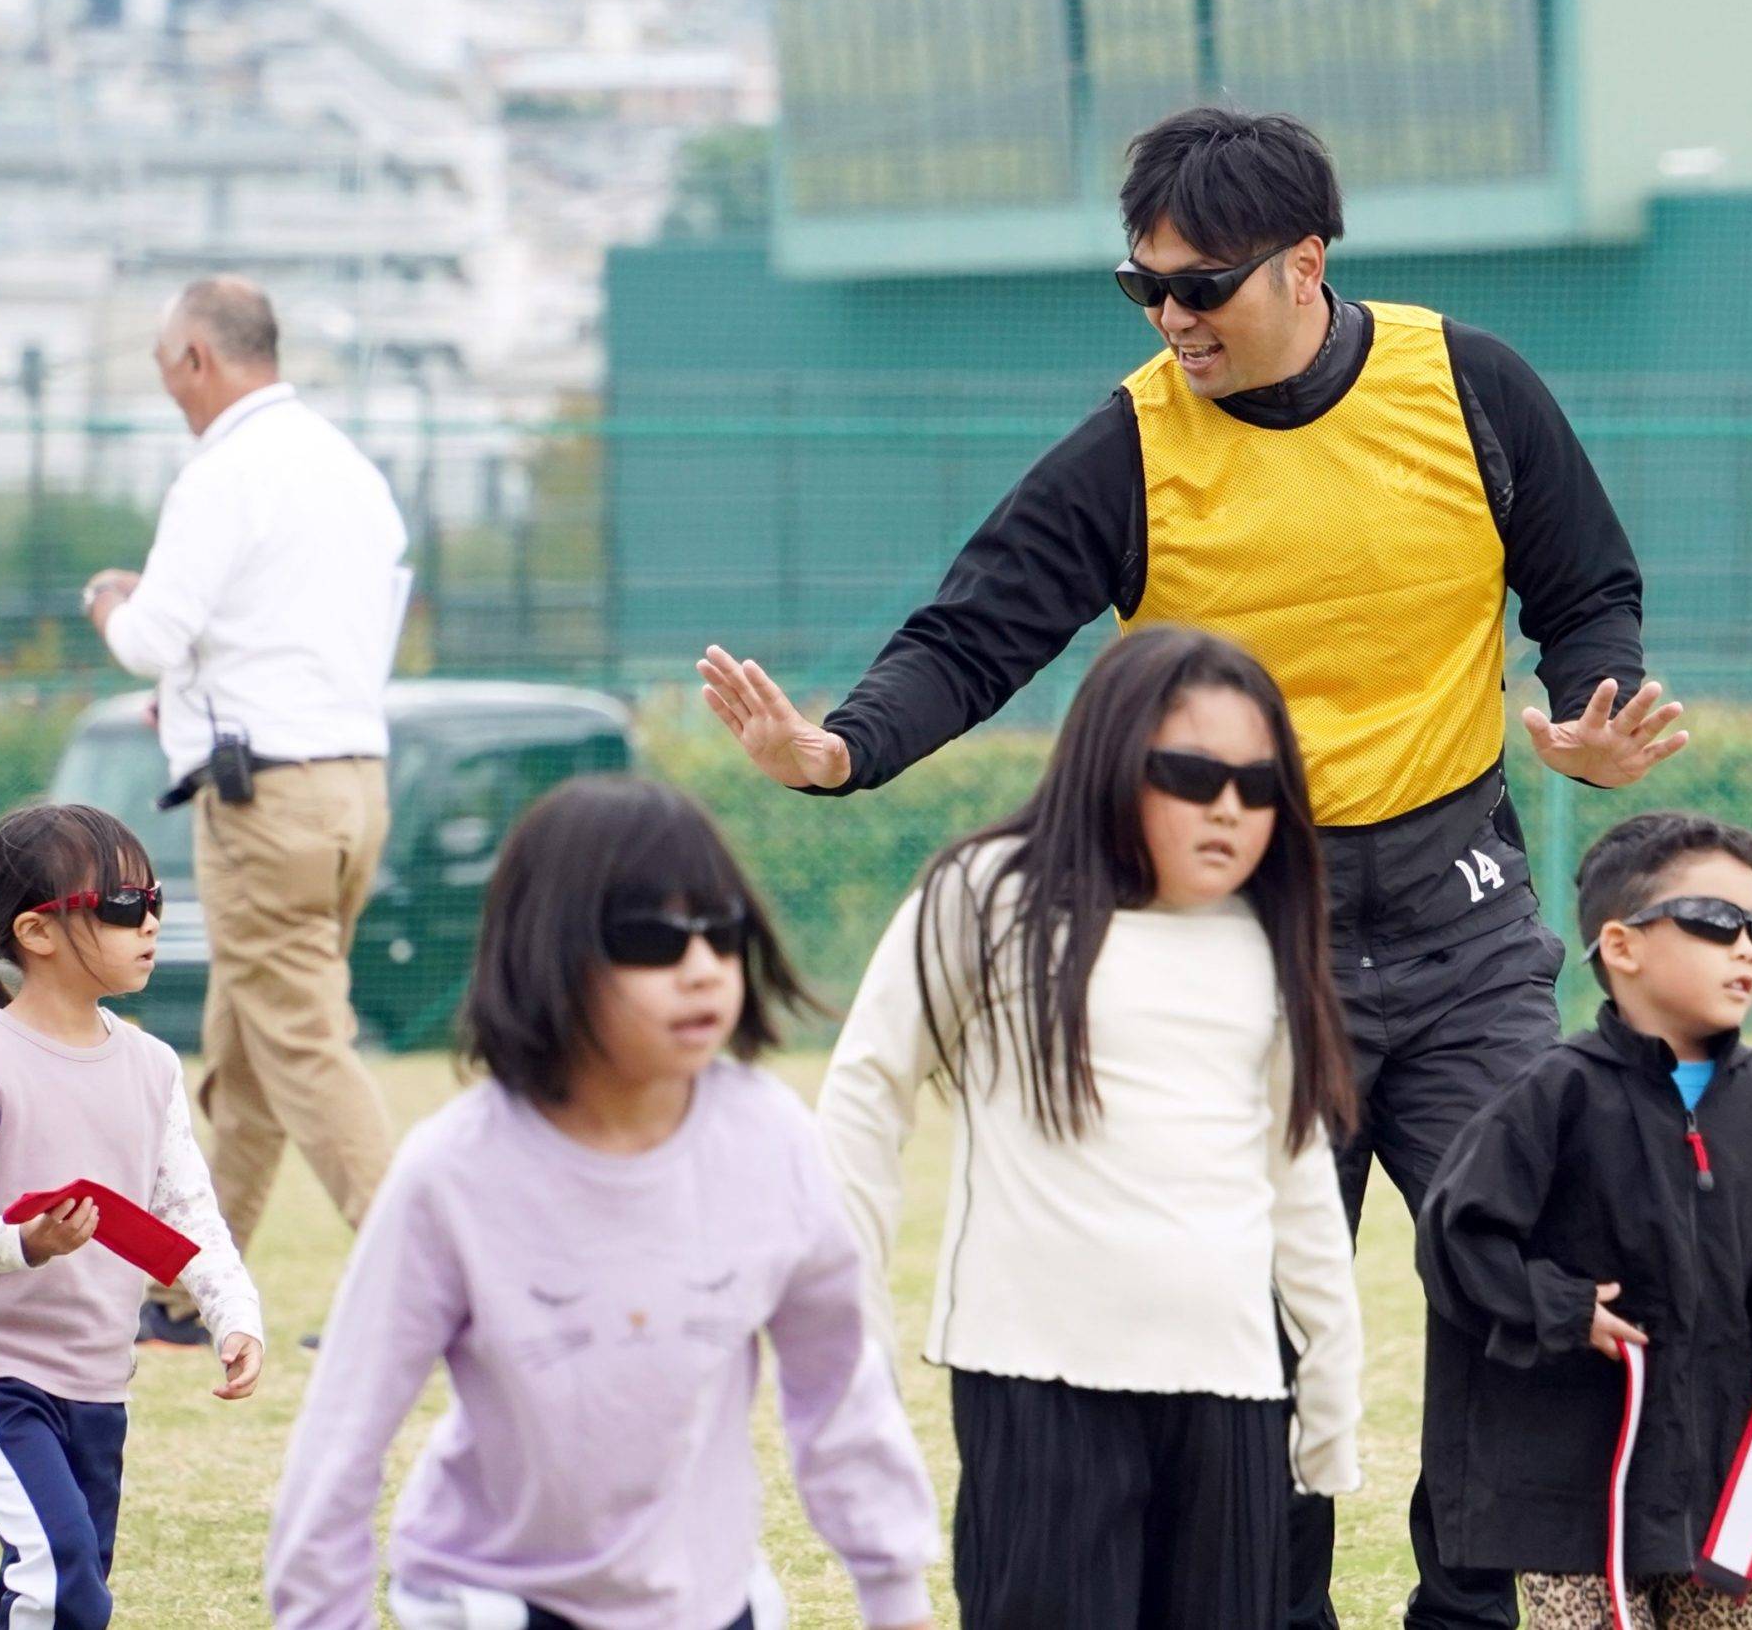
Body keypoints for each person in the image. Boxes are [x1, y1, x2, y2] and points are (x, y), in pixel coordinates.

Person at [698, 106, 1683, 1629]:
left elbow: (1586, 587)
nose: (1171, 317)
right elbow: (975, 631)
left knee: (1530, 1273)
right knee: (1255, 1322)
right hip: (1247, 942)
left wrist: (1595, 709)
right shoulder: (1132, 446)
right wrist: (839, 750)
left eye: (1200, 285)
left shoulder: (1468, 385)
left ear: (1304, 264)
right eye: (1142, 286)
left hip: (1462, 923)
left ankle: (1472, 1612)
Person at [266, 777, 941, 1630]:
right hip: (497, 1599)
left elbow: (840, 1391)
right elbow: (343, 1432)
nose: (701, 968)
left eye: (721, 931)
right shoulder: (454, 1173)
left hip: (709, 1603)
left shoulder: (772, 1139)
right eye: (650, 939)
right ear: (551, 951)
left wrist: (896, 1594)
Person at [819, 626, 1365, 1629]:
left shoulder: (1265, 933)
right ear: (1113, 756)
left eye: (1258, 786)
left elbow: (1293, 1166)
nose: (1229, 808)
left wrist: (1329, 1375)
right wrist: (852, 1342)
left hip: (1230, 1387)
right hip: (1037, 1377)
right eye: (1193, 774)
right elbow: (863, 1099)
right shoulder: (988, 897)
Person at [1415, 812, 1752, 1630]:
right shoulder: (1554, 1095)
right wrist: (1560, 1306)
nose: (1745, 948)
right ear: (1621, 946)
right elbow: (1457, 1237)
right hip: (1576, 1492)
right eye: (1715, 921)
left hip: (1724, 1482)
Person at [84, 274, 412, 1351]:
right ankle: (186, 1293)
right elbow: (320, 633)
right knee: (251, 1048)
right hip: (353, 780)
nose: (168, 388)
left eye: (165, 366)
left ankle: (428, 1283)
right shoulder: (349, 470)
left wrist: (111, 601)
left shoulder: (221, 474)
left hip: (264, 800)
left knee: (301, 1044)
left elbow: (149, 638)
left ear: (198, 358)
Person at [0, 803, 265, 1630]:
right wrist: (25, 1242)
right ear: (36, 931)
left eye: (153, 900)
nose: (149, 920)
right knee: (61, 1570)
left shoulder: (152, 1064)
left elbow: (189, 1213)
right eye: (121, 904)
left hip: (99, 1383)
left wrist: (234, 1314)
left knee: (73, 1593)